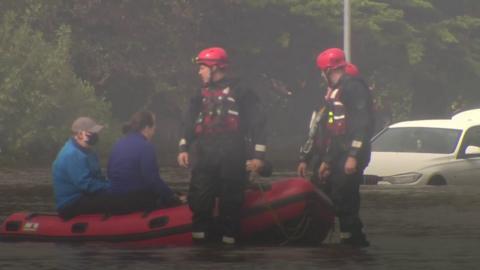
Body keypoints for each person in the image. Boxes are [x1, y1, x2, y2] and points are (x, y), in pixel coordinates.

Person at [177, 47, 267, 245]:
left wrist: (258, 157)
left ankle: (229, 253)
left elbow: (258, 123)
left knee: (231, 205)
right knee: (200, 202)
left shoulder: (242, 91)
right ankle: (201, 251)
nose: (199, 72)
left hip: (232, 155)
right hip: (204, 155)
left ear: (215, 67)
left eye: (202, 67)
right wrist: (184, 148)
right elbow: (189, 121)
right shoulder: (199, 93)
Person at [315, 48, 374, 247]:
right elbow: (333, 131)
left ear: (328, 70)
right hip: (339, 151)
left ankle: (354, 239)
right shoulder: (336, 91)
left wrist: (353, 155)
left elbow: (362, 124)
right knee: (334, 192)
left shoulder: (353, 87)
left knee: (345, 194)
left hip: (352, 152)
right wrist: (327, 161)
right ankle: (349, 236)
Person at [297, 62, 360, 187]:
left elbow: (340, 137)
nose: (329, 92)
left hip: (338, 161)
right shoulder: (323, 110)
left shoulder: (352, 113)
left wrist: (329, 162)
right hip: (323, 159)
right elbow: (312, 133)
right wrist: (304, 159)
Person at [107, 111, 182, 214]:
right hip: (134, 199)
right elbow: (152, 179)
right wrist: (172, 196)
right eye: (154, 125)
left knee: (166, 192)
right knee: (169, 198)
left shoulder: (117, 144)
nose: (155, 129)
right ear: (147, 128)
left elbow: (110, 173)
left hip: (114, 197)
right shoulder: (146, 146)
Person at [52, 117, 110, 220]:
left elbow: (98, 178)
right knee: (113, 199)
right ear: (79, 134)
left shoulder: (90, 152)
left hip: (84, 197)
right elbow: (86, 185)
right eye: (92, 132)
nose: (96, 135)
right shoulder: (71, 154)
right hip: (71, 203)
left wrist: (111, 185)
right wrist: (110, 187)